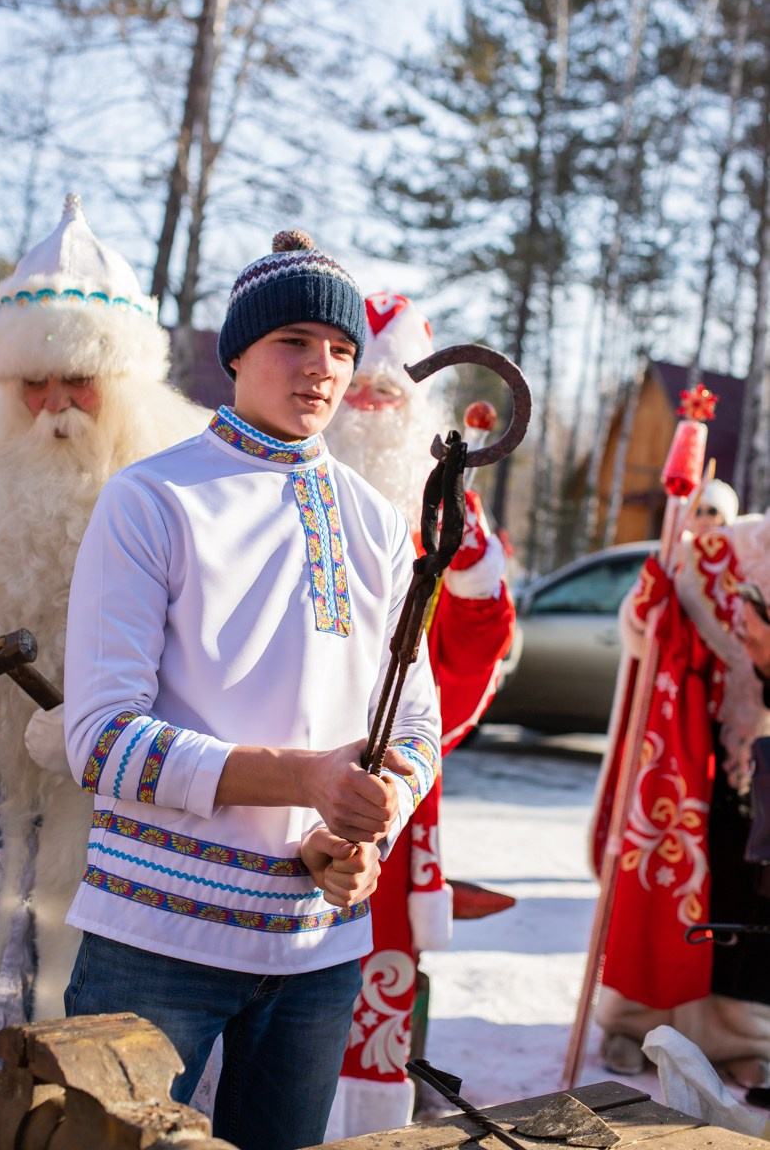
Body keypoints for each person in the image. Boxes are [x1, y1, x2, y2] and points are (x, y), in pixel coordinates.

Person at [60, 230, 442, 1150]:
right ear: (237, 351)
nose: (323, 368)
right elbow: (101, 741)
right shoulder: (151, 499)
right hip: (157, 939)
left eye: (343, 349)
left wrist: (371, 810)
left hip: (320, 945)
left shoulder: (378, 523)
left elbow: (416, 720)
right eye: (295, 341)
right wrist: (306, 776)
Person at [0, 193, 210, 1150]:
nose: (50, 406)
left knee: (116, 1037)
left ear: (120, 381)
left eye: (76, 381)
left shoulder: (180, 488)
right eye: (31, 383)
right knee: (14, 1001)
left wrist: (101, 738)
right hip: (22, 812)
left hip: (144, 833)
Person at [324, 291, 516, 1137]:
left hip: (378, 778)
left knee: (375, 940)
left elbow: (473, 643)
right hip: (267, 759)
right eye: (355, 387)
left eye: (387, 392)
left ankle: (363, 1119)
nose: (367, 406)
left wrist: (468, 560)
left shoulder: (434, 512)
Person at [593, 481, 770, 1097]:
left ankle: (739, 1039)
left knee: (744, 899)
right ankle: (629, 1022)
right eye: (695, 512)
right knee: (654, 882)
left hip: (753, 761)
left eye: (712, 514)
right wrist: (662, 587)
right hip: (678, 753)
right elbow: (642, 633)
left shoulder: (753, 553)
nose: (702, 524)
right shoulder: (698, 562)